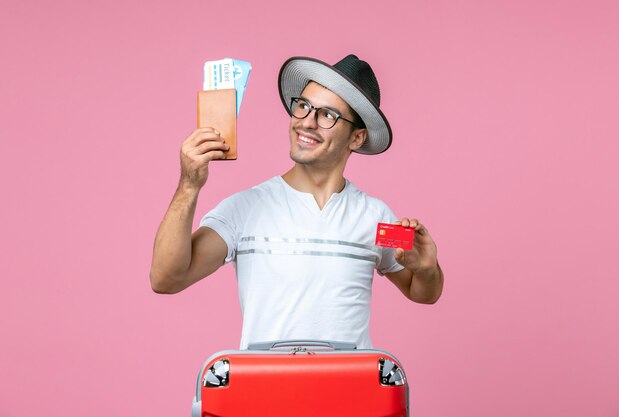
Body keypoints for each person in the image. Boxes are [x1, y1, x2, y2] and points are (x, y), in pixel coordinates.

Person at [150, 55, 444, 349]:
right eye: (303, 106)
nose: (307, 122)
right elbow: (166, 279)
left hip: (352, 392)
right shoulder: (245, 208)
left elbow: (422, 292)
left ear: (357, 138)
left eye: (327, 115)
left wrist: (426, 270)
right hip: (266, 390)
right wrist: (189, 185)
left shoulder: (377, 217)